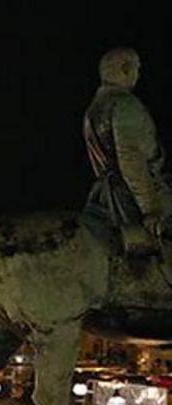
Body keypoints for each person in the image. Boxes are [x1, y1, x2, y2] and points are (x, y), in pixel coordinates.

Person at [82, 47, 172, 256]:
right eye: (136, 69)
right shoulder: (125, 105)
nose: (138, 75)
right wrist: (151, 209)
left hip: (105, 196)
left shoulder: (94, 108)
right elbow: (131, 159)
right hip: (132, 196)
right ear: (124, 69)